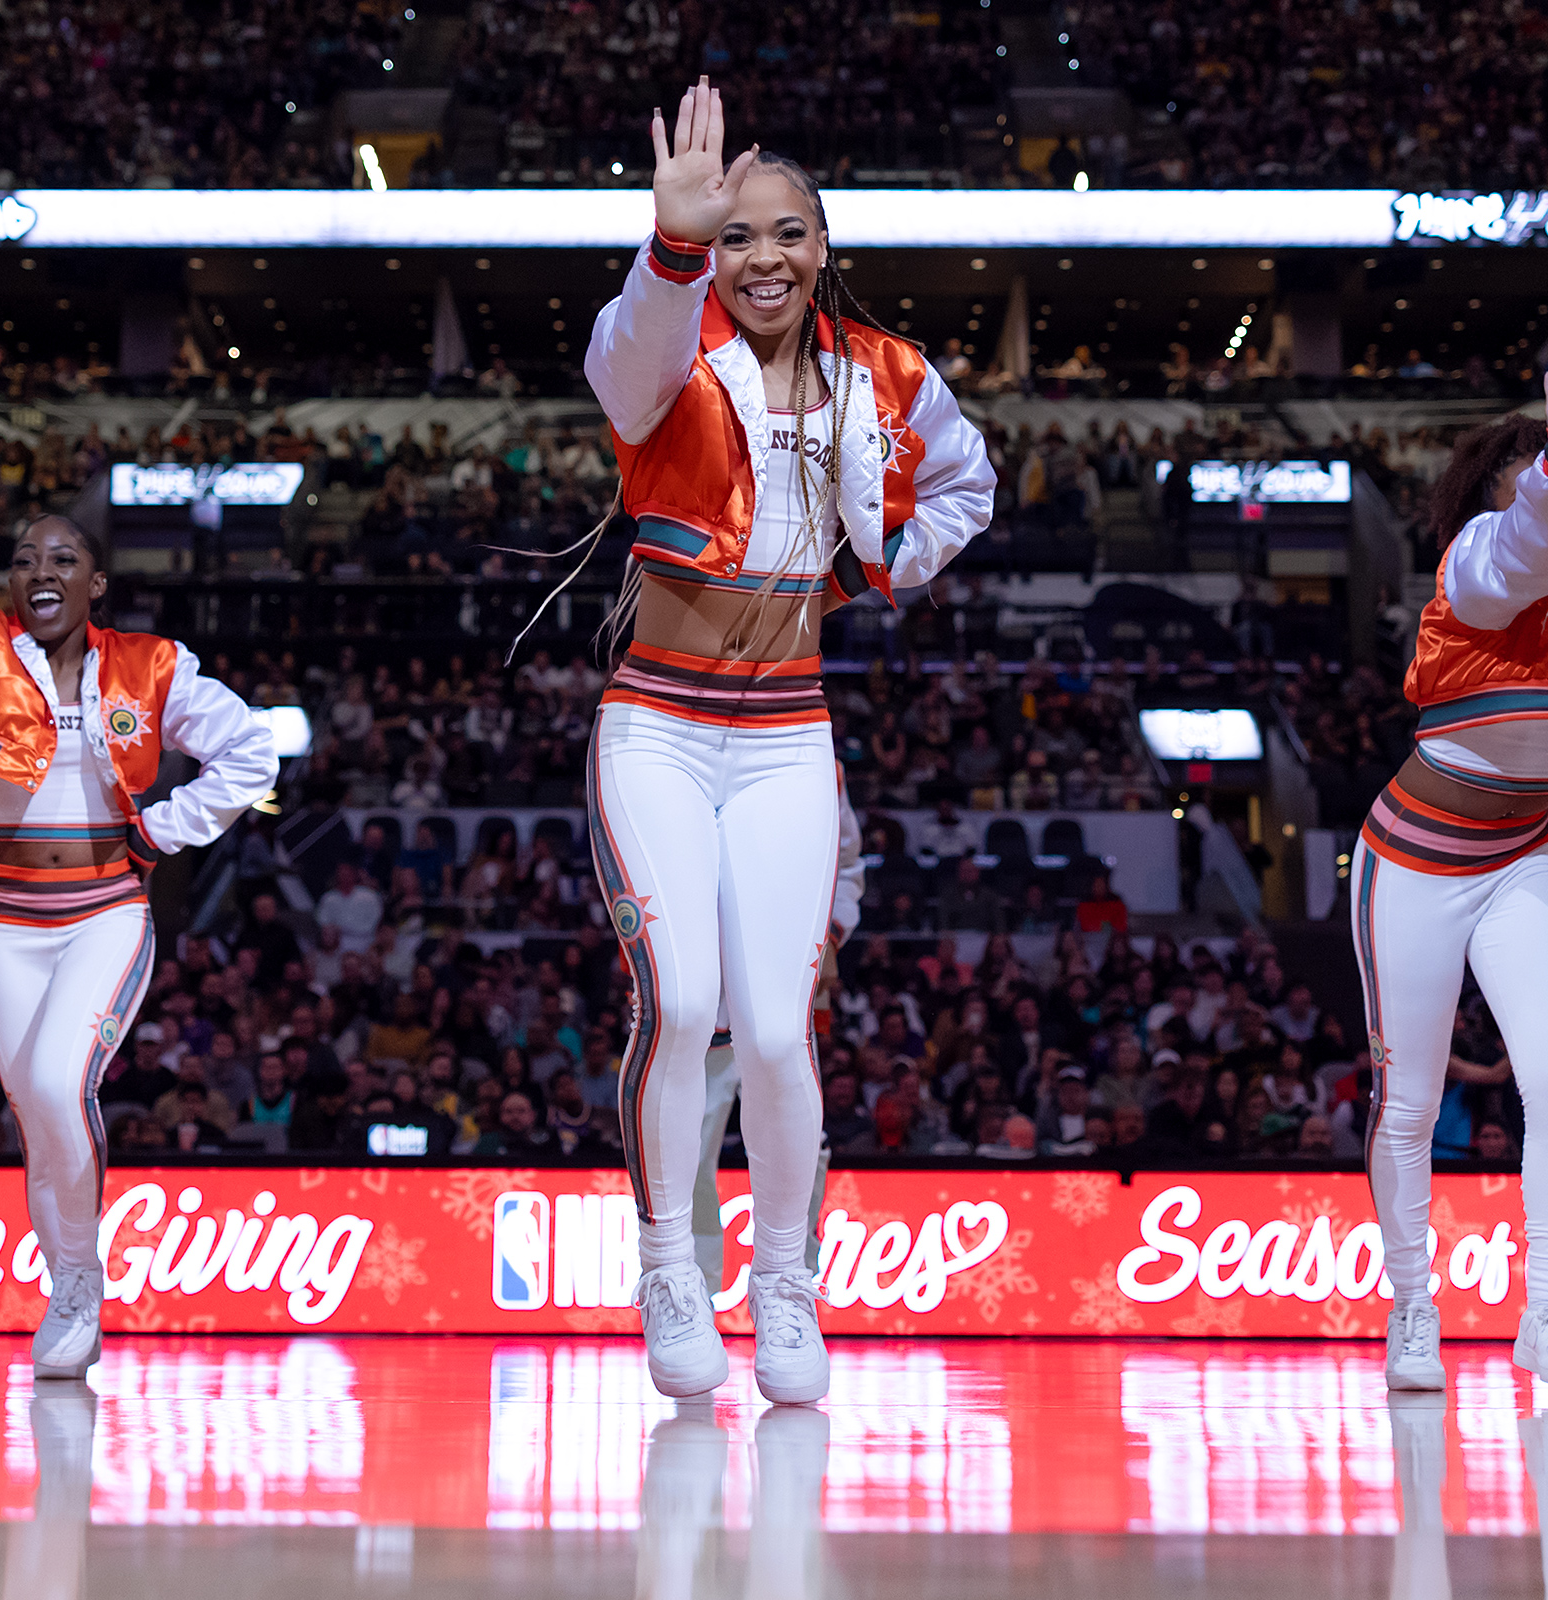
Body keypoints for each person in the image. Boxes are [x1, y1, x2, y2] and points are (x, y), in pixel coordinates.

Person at [584, 78, 993, 1405]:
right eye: (737, 235)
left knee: (774, 1031)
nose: (761, 256)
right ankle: (667, 1267)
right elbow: (619, 360)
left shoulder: (887, 373)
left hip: (786, 732)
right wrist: (670, 242)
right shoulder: (671, 353)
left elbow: (969, 484)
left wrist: (880, 570)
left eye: (786, 232)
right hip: (657, 724)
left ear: (824, 247)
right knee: (680, 1003)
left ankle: (784, 1285)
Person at [0, 472, 276, 1380]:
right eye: (25, 560)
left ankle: (79, 1281)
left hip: (106, 912)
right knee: (34, 1114)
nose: (40, 571)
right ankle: (66, 1282)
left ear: (96, 583)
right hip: (7, 925)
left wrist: (162, 829)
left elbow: (252, 750)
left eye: (62, 558)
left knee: (62, 1085)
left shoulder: (151, 664)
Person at [1349, 350, 1548, 1394]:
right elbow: (1523, 546)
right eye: (1537, 487)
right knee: (1410, 1101)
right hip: (1412, 860)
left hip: (1520, 860)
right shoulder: (1474, 563)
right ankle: (1412, 1307)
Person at [692, 776, 863, 1289]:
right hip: (702, 995)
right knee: (685, 1150)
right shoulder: (676, 747)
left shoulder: (818, 763)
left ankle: (792, 1280)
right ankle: (694, 1284)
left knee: (801, 1143)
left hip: (785, 988)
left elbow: (846, 866)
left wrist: (829, 934)